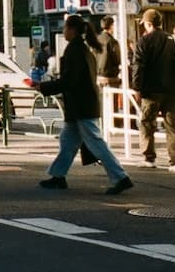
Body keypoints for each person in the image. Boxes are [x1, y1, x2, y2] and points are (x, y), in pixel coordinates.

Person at [37, 14, 133, 195]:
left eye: (65, 28)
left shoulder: (75, 51)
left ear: (72, 30)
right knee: (68, 141)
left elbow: (69, 80)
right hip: (83, 104)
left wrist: (43, 87)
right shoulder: (84, 49)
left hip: (81, 106)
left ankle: (121, 177)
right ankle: (58, 176)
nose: (64, 31)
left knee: (95, 143)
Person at [131, 10, 175, 170]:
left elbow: (138, 66)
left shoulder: (144, 41)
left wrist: (137, 87)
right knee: (173, 126)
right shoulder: (174, 40)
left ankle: (149, 158)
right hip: (173, 90)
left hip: (151, 90)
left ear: (148, 24)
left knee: (147, 123)